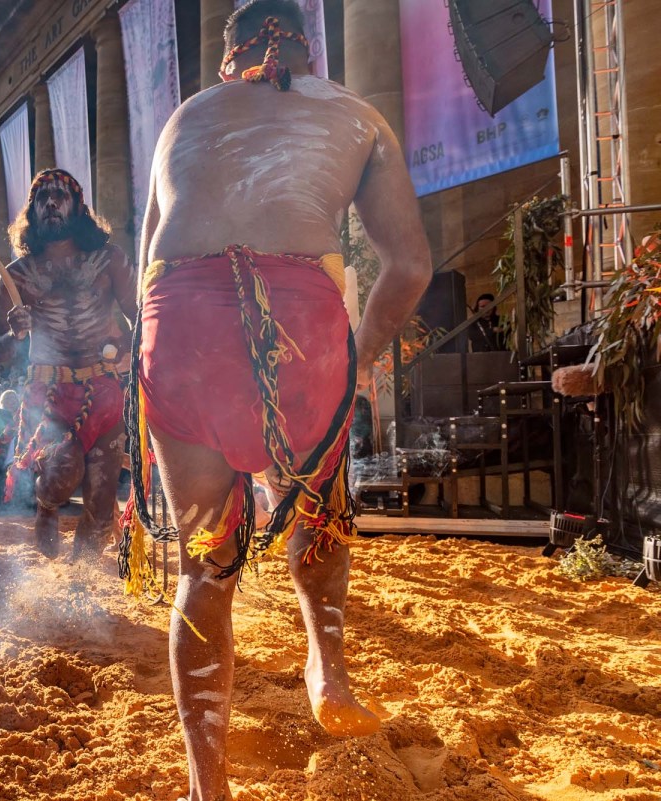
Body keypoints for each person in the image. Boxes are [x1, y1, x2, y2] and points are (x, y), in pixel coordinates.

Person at [121, 2, 433, 796]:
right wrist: (357, 357)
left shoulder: (182, 119)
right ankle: (327, 667)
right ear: (309, 48)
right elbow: (409, 267)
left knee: (206, 562)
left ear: (228, 57)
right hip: (299, 325)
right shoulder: (355, 115)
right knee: (318, 510)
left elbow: (143, 271)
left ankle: (207, 786)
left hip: (179, 318)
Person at [0, 168, 135, 561]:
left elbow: (142, 317)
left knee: (101, 504)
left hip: (104, 391)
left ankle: (80, 587)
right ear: (32, 212)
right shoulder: (17, 275)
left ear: (79, 207)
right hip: (49, 394)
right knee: (60, 474)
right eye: (42, 197)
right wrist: (15, 335)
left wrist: (133, 350)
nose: (51, 202)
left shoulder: (110, 261)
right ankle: (47, 506)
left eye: (61, 195)